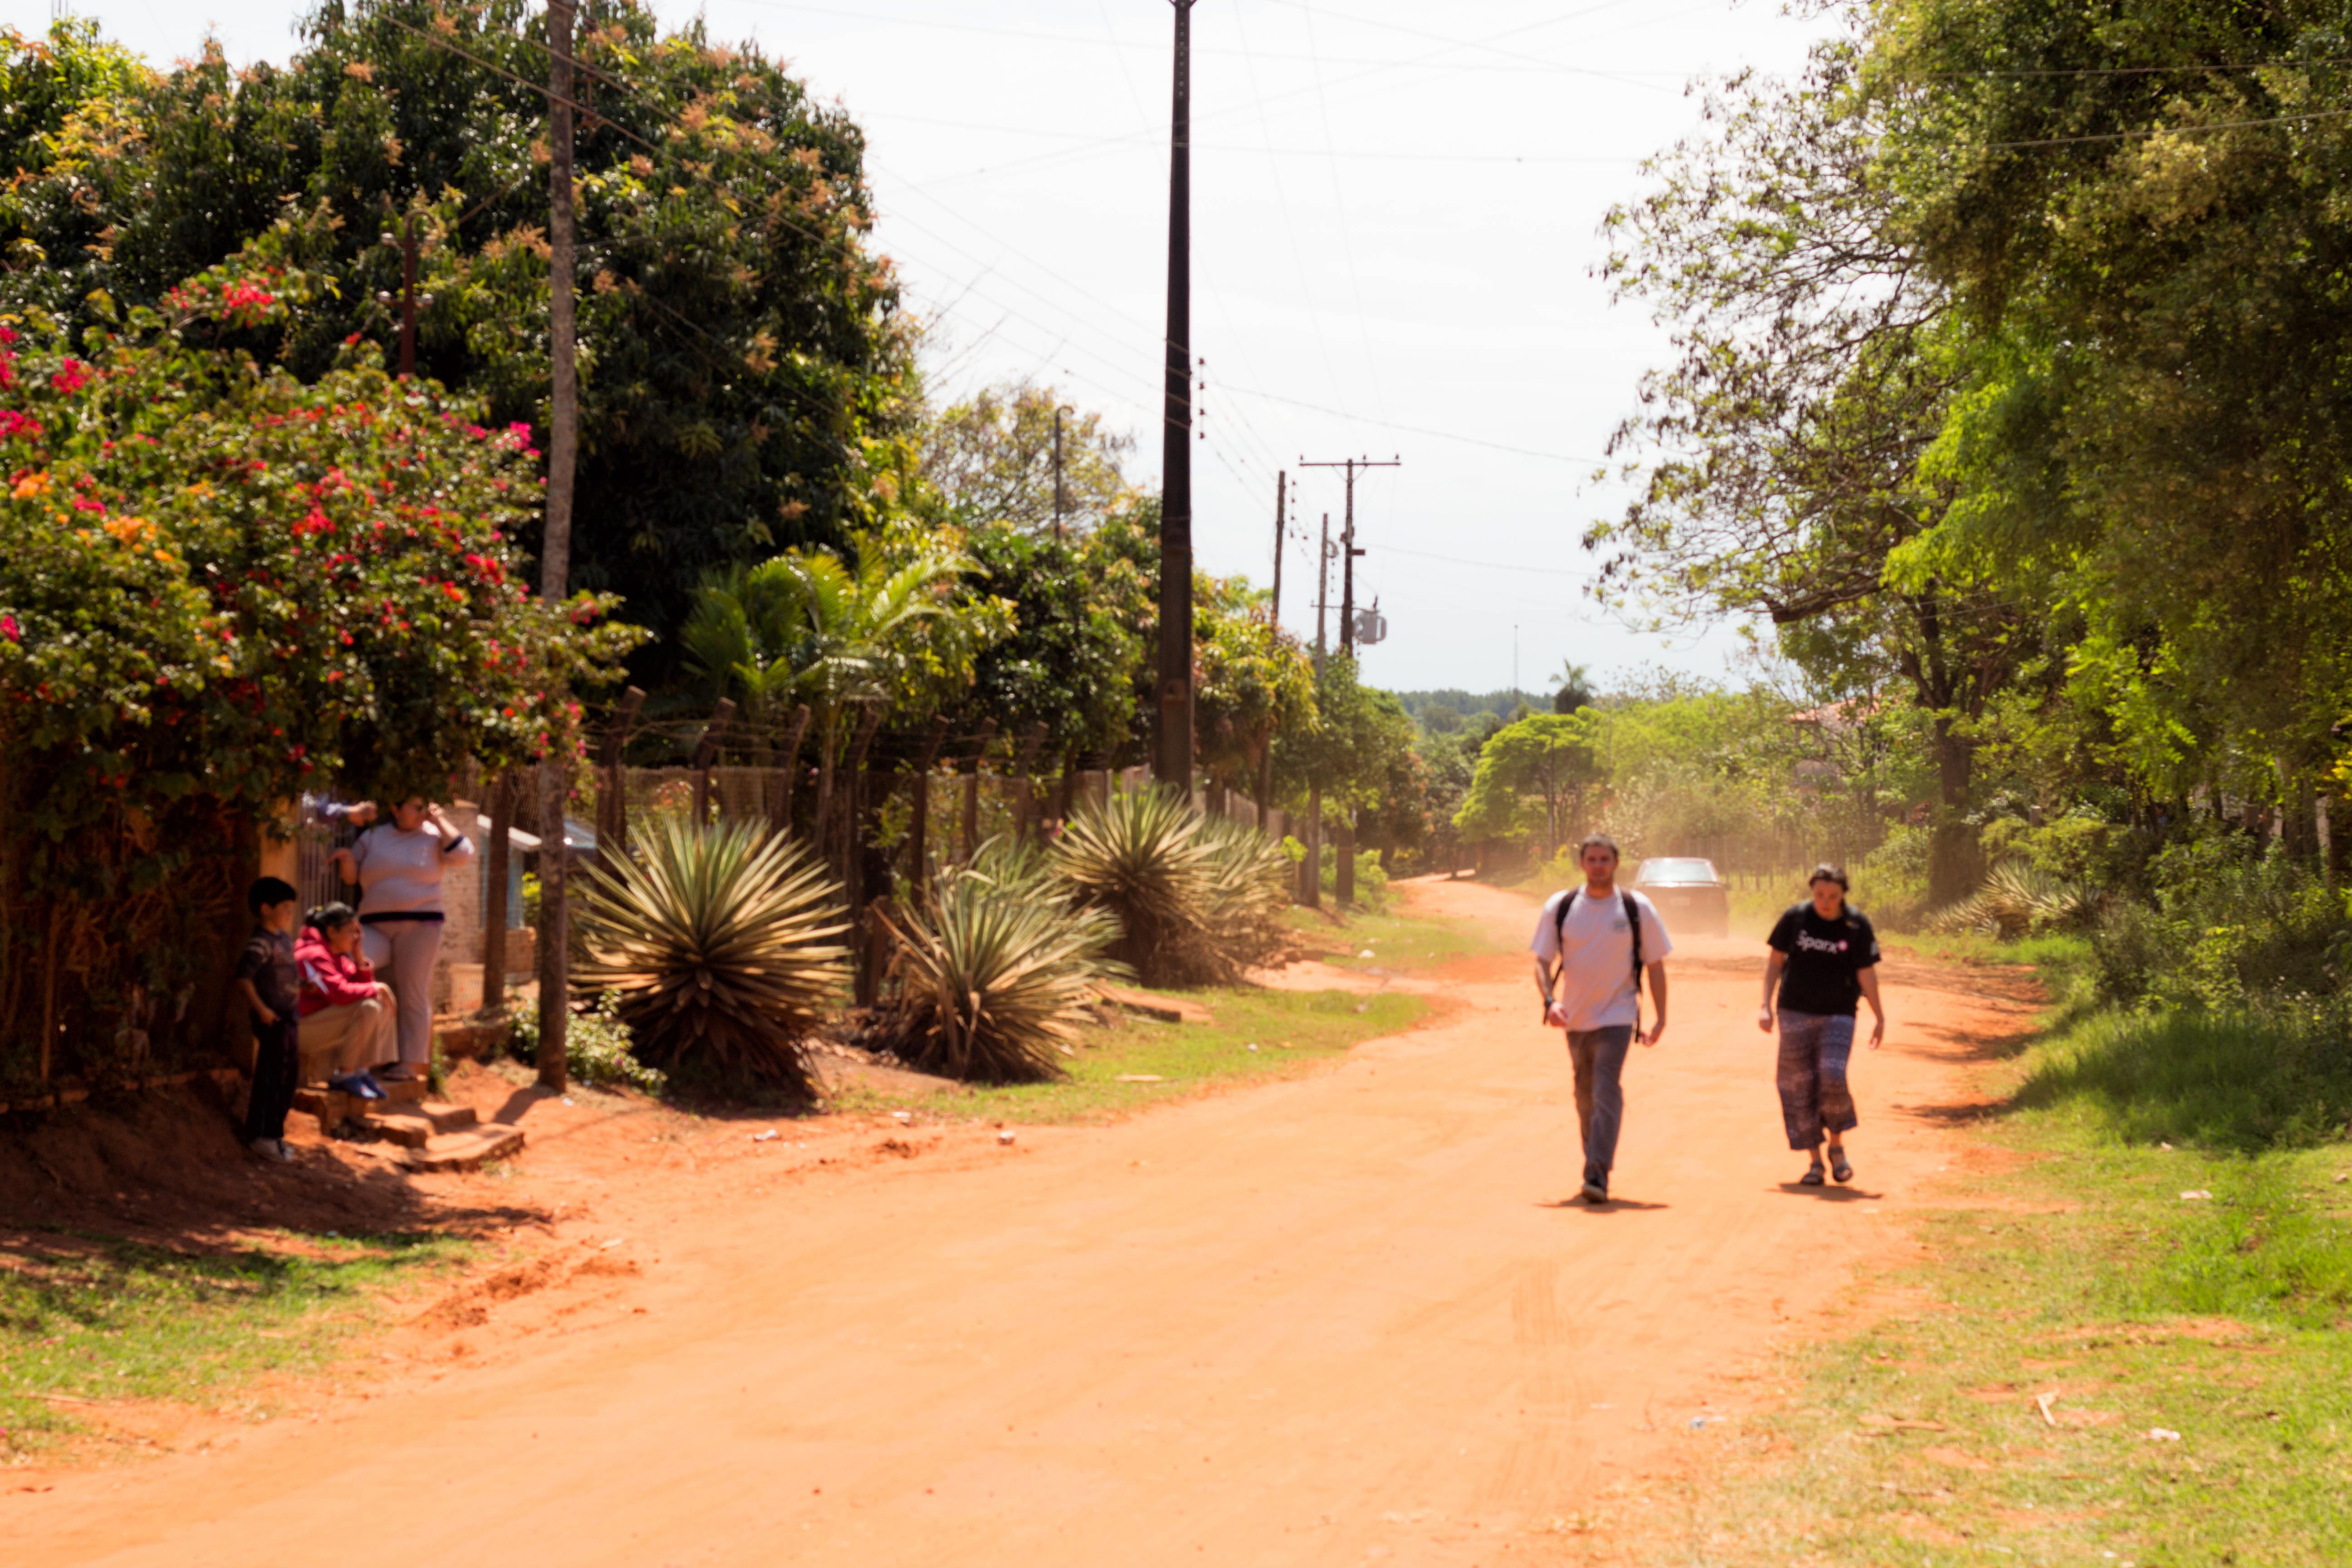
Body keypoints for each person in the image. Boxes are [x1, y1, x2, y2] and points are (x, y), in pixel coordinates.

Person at [1531, 834, 1673, 1204]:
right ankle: (1594, 1159)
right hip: (1575, 1018)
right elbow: (1542, 961)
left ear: (1616, 863)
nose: (1598, 866)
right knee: (1584, 1093)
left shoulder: (1635, 908)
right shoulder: (1561, 907)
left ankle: (1597, 1172)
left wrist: (1660, 1017)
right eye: (1592, 860)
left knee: (1605, 1085)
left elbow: (1656, 965)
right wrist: (1549, 1002)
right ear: (1582, 864)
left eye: (1604, 860)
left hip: (1619, 1014)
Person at [1759, 863, 1887, 1186]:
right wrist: (1765, 1005)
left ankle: (1837, 1148)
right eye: (1820, 895)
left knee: (1832, 1076)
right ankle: (1815, 1162)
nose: (1826, 902)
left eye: (1833, 896)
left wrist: (1879, 1016)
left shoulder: (1856, 925)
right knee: (1799, 1085)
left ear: (1843, 894)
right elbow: (1775, 963)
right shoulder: (1796, 919)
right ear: (1811, 891)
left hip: (1839, 1013)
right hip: (1794, 1011)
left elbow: (1866, 974)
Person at [334, 794, 474, 1082]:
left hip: (420, 926)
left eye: (425, 806)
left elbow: (463, 854)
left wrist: (439, 819)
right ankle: (358, 1059)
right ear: (395, 809)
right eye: (417, 807)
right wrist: (347, 858)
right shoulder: (375, 837)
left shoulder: (434, 835)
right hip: (374, 926)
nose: (423, 812)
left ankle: (412, 1064)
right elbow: (351, 877)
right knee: (350, 971)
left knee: (413, 992)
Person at [234, 877, 303, 1163]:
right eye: (284, 907)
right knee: (271, 1078)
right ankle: (260, 1136)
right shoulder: (259, 943)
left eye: (291, 907)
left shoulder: (285, 940)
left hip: (289, 1018)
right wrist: (261, 1009)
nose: (290, 913)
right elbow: (244, 978)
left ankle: (276, 1135)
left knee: (288, 1078)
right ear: (265, 909)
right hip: (271, 1020)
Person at [294, 902, 394, 1100]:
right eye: (351, 932)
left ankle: (361, 1071)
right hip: (297, 1031)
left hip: (320, 1026)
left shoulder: (336, 955)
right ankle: (345, 1075)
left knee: (379, 1001)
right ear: (332, 931)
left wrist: (359, 954)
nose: (356, 937)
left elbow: (362, 988)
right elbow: (339, 994)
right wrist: (375, 988)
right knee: (370, 1004)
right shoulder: (313, 955)